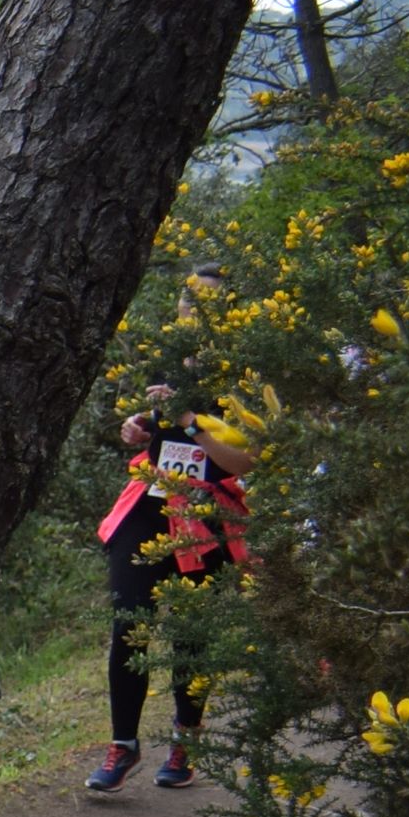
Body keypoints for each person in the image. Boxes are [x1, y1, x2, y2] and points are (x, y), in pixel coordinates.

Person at [87, 307, 252, 791]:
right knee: (129, 622)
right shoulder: (166, 363)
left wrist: (190, 420)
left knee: (190, 632)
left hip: (207, 512)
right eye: (184, 311)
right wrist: (138, 427)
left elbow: (244, 460)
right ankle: (123, 744)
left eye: (202, 310)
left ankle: (186, 738)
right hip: (149, 504)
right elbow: (156, 431)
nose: (190, 322)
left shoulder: (244, 373)